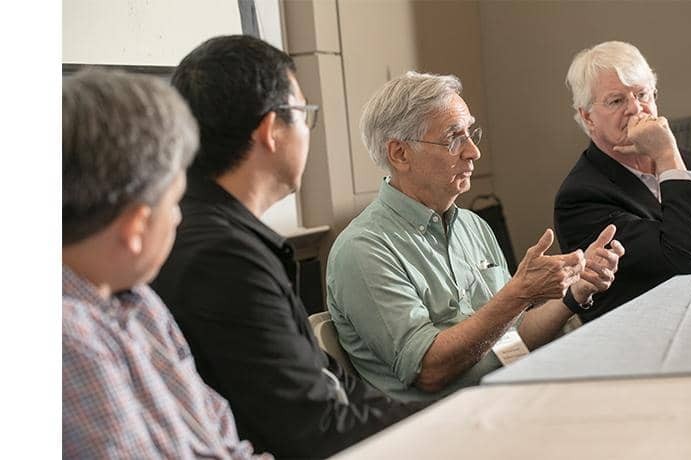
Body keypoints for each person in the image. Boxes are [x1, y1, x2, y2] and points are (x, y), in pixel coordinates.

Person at [151, 35, 422, 459]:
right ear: (271, 130)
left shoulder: (220, 232)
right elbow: (313, 428)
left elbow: (330, 381)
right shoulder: (219, 256)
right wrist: (454, 415)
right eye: (302, 115)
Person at [326, 71, 625, 402]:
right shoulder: (364, 249)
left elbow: (513, 337)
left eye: (471, 134)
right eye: (454, 138)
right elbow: (429, 371)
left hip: (510, 396)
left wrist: (576, 290)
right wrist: (518, 294)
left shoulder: (472, 225)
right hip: (438, 428)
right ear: (399, 154)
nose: (473, 152)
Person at [62, 69, 267, 458]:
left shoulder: (139, 302)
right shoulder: (68, 343)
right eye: (174, 203)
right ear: (136, 226)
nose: (178, 218)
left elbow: (219, 440)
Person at [554, 41, 691, 323]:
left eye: (642, 94)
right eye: (616, 100)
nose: (636, 109)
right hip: (658, 336)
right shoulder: (581, 197)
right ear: (588, 117)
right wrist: (666, 154)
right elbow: (688, 259)